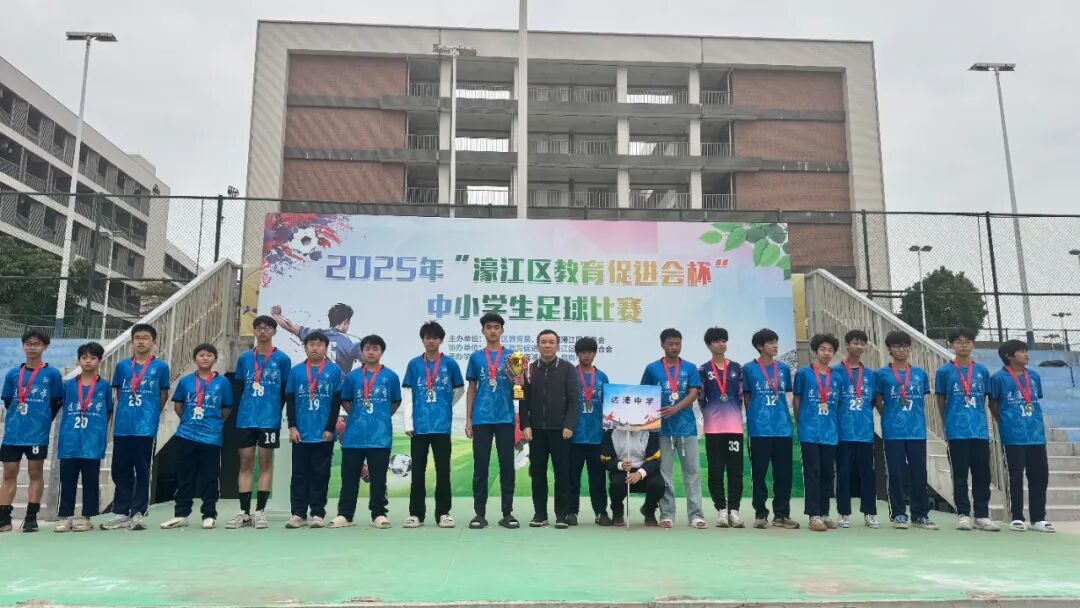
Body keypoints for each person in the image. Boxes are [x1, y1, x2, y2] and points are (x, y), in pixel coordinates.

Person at [226, 315, 293, 529]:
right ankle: (244, 512)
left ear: (274, 332)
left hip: (269, 420)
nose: (263, 331)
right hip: (246, 419)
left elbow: (285, 391)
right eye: (259, 328)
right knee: (245, 463)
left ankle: (260, 511)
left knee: (265, 462)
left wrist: (274, 410)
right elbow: (239, 388)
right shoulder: (245, 358)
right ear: (254, 331)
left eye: (267, 328)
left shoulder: (282, 359)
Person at [104, 323, 171, 531]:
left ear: (153, 342)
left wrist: (151, 414)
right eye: (137, 338)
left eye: (145, 338)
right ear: (132, 342)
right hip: (123, 426)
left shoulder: (160, 367)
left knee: (142, 469)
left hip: (145, 427)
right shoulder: (122, 366)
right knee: (120, 469)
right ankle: (121, 511)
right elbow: (119, 394)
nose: (141, 341)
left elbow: (163, 394)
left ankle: (138, 512)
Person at [161, 344, 234, 530]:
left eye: (209, 355)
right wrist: (188, 421)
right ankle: (181, 514)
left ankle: (209, 514)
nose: (205, 358)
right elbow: (178, 406)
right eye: (201, 355)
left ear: (215, 359)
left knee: (210, 477)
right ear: (195, 359)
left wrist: (215, 423)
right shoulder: (186, 381)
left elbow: (226, 408)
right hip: (186, 435)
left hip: (211, 437)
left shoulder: (222, 382)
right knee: (184, 476)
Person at [333, 335, 401, 529]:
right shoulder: (353, 377)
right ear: (361, 352)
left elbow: (395, 401)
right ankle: (345, 514)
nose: (371, 352)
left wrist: (381, 416)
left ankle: (379, 514)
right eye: (367, 349)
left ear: (382, 352)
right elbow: (346, 400)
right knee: (349, 478)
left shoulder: (390, 376)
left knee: (378, 478)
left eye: (375, 348)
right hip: (353, 436)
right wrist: (357, 414)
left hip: (380, 437)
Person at [0, 330, 64, 533]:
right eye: (28, 344)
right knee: (9, 473)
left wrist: (42, 420)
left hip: (37, 433)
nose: (32, 347)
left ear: (45, 347)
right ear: (23, 346)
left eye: (36, 344)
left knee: (35, 473)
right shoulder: (12, 374)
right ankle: (4, 518)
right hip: (13, 433)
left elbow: (56, 402)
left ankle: (31, 517)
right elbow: (8, 401)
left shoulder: (52, 374)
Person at [401, 321, 464, 529]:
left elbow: (459, 389)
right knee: (418, 471)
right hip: (419, 427)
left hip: (441, 427)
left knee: (443, 471)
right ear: (423, 340)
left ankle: (443, 513)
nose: (431, 341)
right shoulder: (414, 364)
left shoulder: (450, 364)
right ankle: (416, 514)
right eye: (428, 337)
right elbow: (408, 393)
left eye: (435, 338)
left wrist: (445, 404)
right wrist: (408, 422)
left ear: (441, 340)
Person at [935, 327, 999, 532]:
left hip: (979, 430)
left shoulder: (982, 371)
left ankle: (982, 515)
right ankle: (963, 514)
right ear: (951, 345)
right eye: (959, 342)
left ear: (973, 344)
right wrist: (946, 422)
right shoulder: (944, 371)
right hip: (956, 431)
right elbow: (940, 398)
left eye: (968, 341)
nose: (963, 345)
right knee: (960, 474)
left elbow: (987, 398)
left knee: (982, 475)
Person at [640, 328, 705, 529]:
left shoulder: (690, 367)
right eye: (670, 344)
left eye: (677, 343)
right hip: (661, 430)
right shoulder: (652, 369)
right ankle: (667, 514)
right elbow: (644, 394)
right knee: (664, 474)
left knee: (692, 472)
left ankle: (696, 515)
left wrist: (676, 408)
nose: (674, 347)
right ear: (662, 345)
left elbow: (693, 393)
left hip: (687, 428)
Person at [989, 340, 1055, 533]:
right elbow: (993, 403)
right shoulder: (998, 378)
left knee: (1040, 475)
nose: (1026, 354)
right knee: (1015, 476)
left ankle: (1038, 518)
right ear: (1009, 356)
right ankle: (1016, 516)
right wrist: (1004, 423)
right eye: (1021, 351)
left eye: (1026, 351)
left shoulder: (1033, 376)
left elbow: (1034, 399)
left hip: (1036, 434)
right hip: (1013, 435)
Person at [875, 330, 937, 530]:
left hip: (916, 429)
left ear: (910, 349)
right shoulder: (882, 374)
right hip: (893, 430)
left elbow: (921, 399)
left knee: (919, 472)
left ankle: (920, 515)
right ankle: (899, 514)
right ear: (889, 349)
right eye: (896, 346)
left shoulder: (920, 374)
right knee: (895, 472)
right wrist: (889, 414)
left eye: (904, 346)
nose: (901, 350)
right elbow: (877, 400)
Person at [521, 329, 580, 529]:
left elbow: (574, 400)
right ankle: (540, 514)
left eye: (551, 342)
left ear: (557, 346)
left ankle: (561, 515)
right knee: (537, 473)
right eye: (544, 342)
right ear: (537, 345)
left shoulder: (568, 369)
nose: (547, 345)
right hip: (536, 430)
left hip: (560, 431)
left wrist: (569, 425)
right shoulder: (529, 369)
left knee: (562, 473)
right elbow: (523, 399)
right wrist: (525, 424)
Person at [465, 313, 520, 530]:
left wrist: (520, 382)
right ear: (483, 331)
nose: (493, 331)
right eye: (489, 327)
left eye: (497, 327)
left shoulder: (513, 357)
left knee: (507, 465)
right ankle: (479, 513)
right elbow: (472, 389)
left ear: (502, 330)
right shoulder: (476, 357)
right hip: (481, 418)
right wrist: (468, 418)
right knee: (480, 466)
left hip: (505, 417)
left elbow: (519, 392)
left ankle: (508, 513)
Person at [284, 331, 342, 528]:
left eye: (319, 344)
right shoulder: (296, 371)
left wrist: (330, 428)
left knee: (321, 474)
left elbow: (336, 402)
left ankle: (317, 512)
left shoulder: (334, 370)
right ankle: (298, 513)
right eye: (311, 344)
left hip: (323, 433)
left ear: (326, 347)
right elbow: (290, 401)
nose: (315, 348)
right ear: (305, 347)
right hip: (301, 433)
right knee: (299, 474)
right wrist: (292, 427)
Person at [55, 342, 113, 533]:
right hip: (70, 441)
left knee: (90, 481)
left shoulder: (104, 385)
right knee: (68, 481)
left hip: (92, 442)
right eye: (84, 357)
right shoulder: (69, 385)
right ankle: (65, 517)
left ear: (99, 361)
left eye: (92, 358)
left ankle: (88, 517)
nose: (88, 361)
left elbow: (108, 411)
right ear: (79, 360)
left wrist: (97, 430)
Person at [743, 328, 798, 529]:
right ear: (760, 346)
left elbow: (787, 394)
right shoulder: (749, 369)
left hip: (782, 429)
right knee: (759, 473)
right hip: (759, 430)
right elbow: (747, 396)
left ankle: (781, 514)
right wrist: (754, 418)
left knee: (783, 473)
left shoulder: (783, 368)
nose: (775, 346)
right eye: (771, 343)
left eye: (776, 342)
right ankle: (760, 513)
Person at [698, 327, 745, 528]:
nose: (721, 344)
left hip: (734, 427)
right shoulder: (703, 370)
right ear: (709, 345)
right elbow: (701, 399)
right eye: (717, 341)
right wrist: (711, 414)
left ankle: (734, 510)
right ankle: (721, 510)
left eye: (724, 340)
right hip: (713, 428)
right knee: (715, 470)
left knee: (736, 470)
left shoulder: (737, 368)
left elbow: (740, 397)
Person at [794, 333, 841, 532]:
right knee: (812, 472)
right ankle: (813, 515)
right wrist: (801, 423)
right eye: (822, 349)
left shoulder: (837, 376)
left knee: (828, 473)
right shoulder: (804, 373)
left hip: (830, 432)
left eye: (830, 350)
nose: (826, 353)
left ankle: (824, 513)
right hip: (809, 431)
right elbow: (797, 399)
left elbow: (838, 403)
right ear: (815, 351)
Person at [834, 329, 880, 529]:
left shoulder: (870, 374)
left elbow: (873, 401)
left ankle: (870, 513)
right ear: (847, 345)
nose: (859, 346)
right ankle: (843, 513)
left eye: (862, 343)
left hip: (864, 433)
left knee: (867, 474)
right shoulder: (836, 372)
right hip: (842, 433)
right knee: (843, 473)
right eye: (855, 342)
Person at [569, 337, 612, 527]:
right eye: (583, 352)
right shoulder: (570, 375)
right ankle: (571, 512)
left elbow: (609, 405)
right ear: (577, 354)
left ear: (594, 353)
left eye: (590, 352)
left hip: (597, 437)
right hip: (574, 436)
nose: (586, 355)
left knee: (598, 479)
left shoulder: (602, 377)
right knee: (572, 478)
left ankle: (601, 512)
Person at [271, 303, 359, 375]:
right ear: (345, 322)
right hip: (340, 387)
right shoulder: (350, 342)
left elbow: (289, 326)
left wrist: (276, 315)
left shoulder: (315, 334)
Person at [601, 427, 663, 527]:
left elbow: (655, 460)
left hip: (644, 469)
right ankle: (617, 513)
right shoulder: (610, 433)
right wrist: (621, 465)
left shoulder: (651, 432)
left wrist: (640, 473)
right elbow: (606, 460)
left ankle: (649, 511)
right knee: (616, 483)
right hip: (622, 470)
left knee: (658, 484)